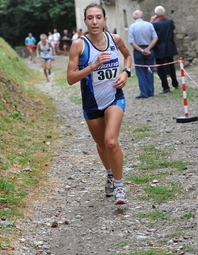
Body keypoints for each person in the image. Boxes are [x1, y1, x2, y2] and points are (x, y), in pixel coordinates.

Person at [66, 3, 132, 204]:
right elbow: (70, 78)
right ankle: (110, 175)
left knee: (111, 141)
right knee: (101, 144)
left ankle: (120, 188)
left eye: (98, 17)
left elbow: (128, 56)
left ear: (105, 19)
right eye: (90, 18)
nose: (94, 22)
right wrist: (93, 66)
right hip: (91, 103)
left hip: (114, 97)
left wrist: (125, 73)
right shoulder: (79, 45)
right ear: (85, 21)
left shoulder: (115, 39)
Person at [128, 10, 158, 98]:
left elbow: (131, 41)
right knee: (149, 70)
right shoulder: (149, 25)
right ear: (143, 16)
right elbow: (155, 38)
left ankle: (144, 93)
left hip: (138, 50)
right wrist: (148, 48)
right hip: (149, 49)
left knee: (140, 72)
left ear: (134, 18)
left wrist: (141, 50)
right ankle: (150, 91)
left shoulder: (132, 27)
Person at [151, 6, 179, 94]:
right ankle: (175, 83)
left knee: (161, 69)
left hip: (159, 47)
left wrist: (151, 21)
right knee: (171, 66)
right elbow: (173, 30)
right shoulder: (170, 21)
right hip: (170, 46)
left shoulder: (154, 24)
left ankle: (165, 87)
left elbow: (151, 33)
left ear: (156, 14)